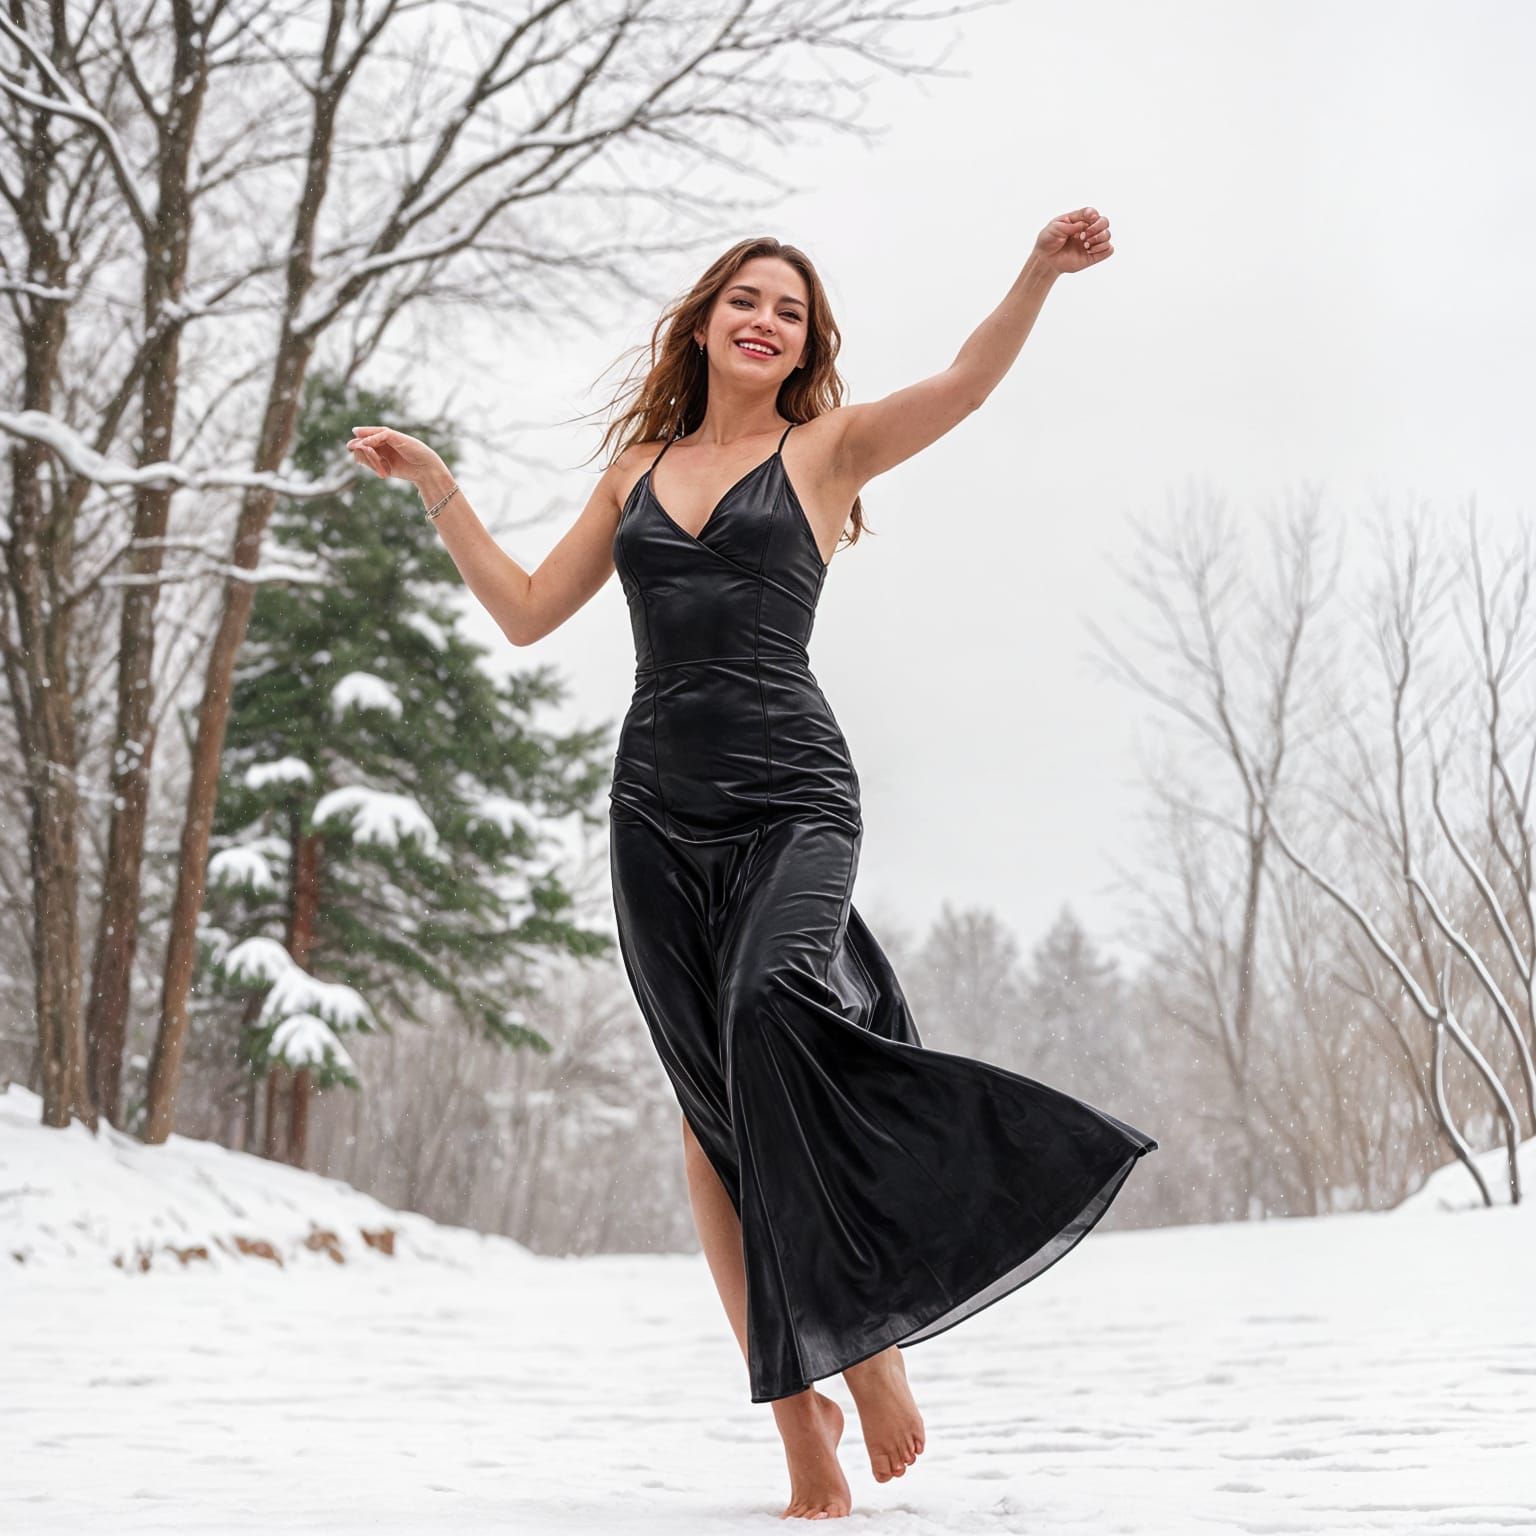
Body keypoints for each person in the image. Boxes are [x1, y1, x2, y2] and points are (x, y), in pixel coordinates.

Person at [346, 209, 1158, 1522]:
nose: (764, 317)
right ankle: (803, 1446)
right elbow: (522, 612)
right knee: (712, 1127)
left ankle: (873, 1349)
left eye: (788, 308)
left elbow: (963, 382)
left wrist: (1034, 277)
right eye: (744, 297)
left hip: (794, 796)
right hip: (655, 814)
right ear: (707, 321)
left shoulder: (826, 449)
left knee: (773, 1015)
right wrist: (438, 481)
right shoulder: (634, 467)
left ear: (803, 346)